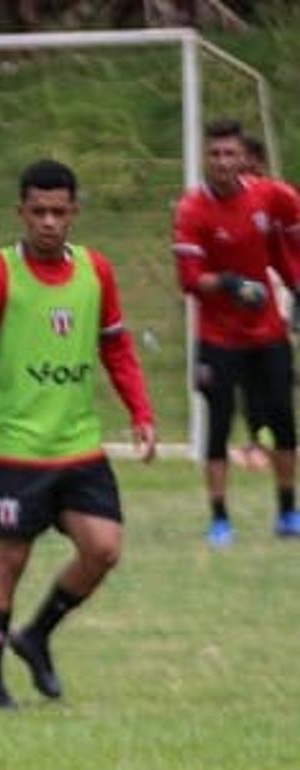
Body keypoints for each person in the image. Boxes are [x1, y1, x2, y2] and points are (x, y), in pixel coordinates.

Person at [0, 159, 158, 711]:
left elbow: (116, 346)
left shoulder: (96, 271)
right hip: (21, 452)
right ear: (20, 212)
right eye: (38, 211)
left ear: (74, 213)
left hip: (80, 447)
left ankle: (37, 635)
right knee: (10, 562)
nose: (48, 222)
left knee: (104, 549)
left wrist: (141, 412)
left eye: (59, 211)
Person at [172, 119, 300, 546]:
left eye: (230, 154)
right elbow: (189, 279)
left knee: (283, 418)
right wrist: (228, 284)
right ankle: (220, 519)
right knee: (219, 424)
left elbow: (292, 228)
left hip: (268, 333)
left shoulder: (269, 195)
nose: (223, 162)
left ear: (243, 158)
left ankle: (287, 511)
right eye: (215, 154)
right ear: (205, 158)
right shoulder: (192, 210)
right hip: (217, 337)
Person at [234, 133, 299, 473]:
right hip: (241, 289)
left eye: (242, 157)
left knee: (275, 362)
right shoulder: (223, 198)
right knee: (246, 367)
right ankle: (257, 438)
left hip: (275, 283)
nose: (235, 165)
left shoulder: (275, 196)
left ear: (257, 162)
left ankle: (277, 435)